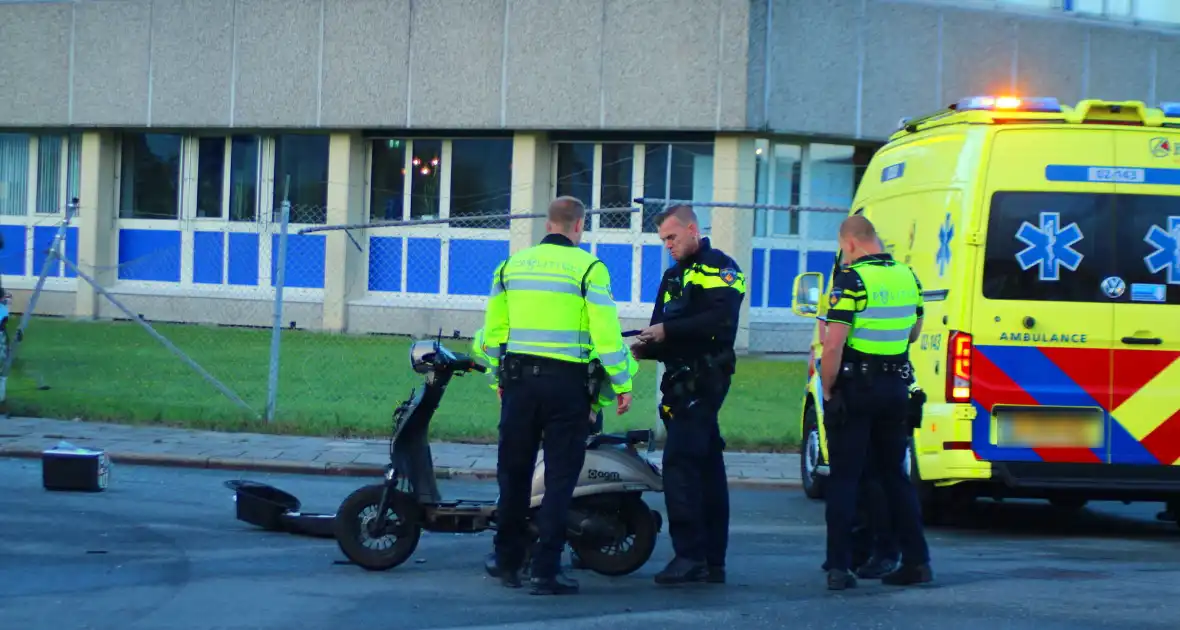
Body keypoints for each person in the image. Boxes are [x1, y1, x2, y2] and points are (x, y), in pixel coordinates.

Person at [480, 195, 635, 596]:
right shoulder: (589, 269)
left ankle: (506, 558)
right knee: (560, 479)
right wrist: (621, 383)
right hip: (567, 388)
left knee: (513, 474)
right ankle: (546, 570)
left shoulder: (510, 266)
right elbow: (606, 335)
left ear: (548, 224)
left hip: (518, 384)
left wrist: (499, 377)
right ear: (579, 226)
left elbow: (494, 333)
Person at [630, 204, 744, 585]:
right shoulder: (673, 275)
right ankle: (714, 561)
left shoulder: (722, 268)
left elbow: (719, 321)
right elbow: (659, 326)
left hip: (705, 379)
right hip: (678, 381)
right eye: (663, 240)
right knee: (708, 468)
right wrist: (645, 346)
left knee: (679, 465)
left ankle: (689, 555)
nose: (668, 245)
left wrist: (668, 334)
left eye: (672, 237)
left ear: (693, 229)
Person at [820, 214, 933, 590]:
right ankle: (916, 561)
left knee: (845, 478)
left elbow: (834, 343)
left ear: (850, 243)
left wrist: (827, 389)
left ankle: (840, 567)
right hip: (895, 387)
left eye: (843, 248)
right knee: (895, 478)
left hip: (856, 388)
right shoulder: (908, 277)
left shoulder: (851, 280)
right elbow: (914, 332)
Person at [470, 326, 638, 573]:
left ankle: (512, 556)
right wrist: (598, 403)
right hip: (571, 396)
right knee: (562, 481)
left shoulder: (519, 296)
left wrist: (499, 380)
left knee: (517, 477)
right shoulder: (583, 304)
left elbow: (484, 341)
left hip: (525, 393)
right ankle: (555, 558)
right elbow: (617, 355)